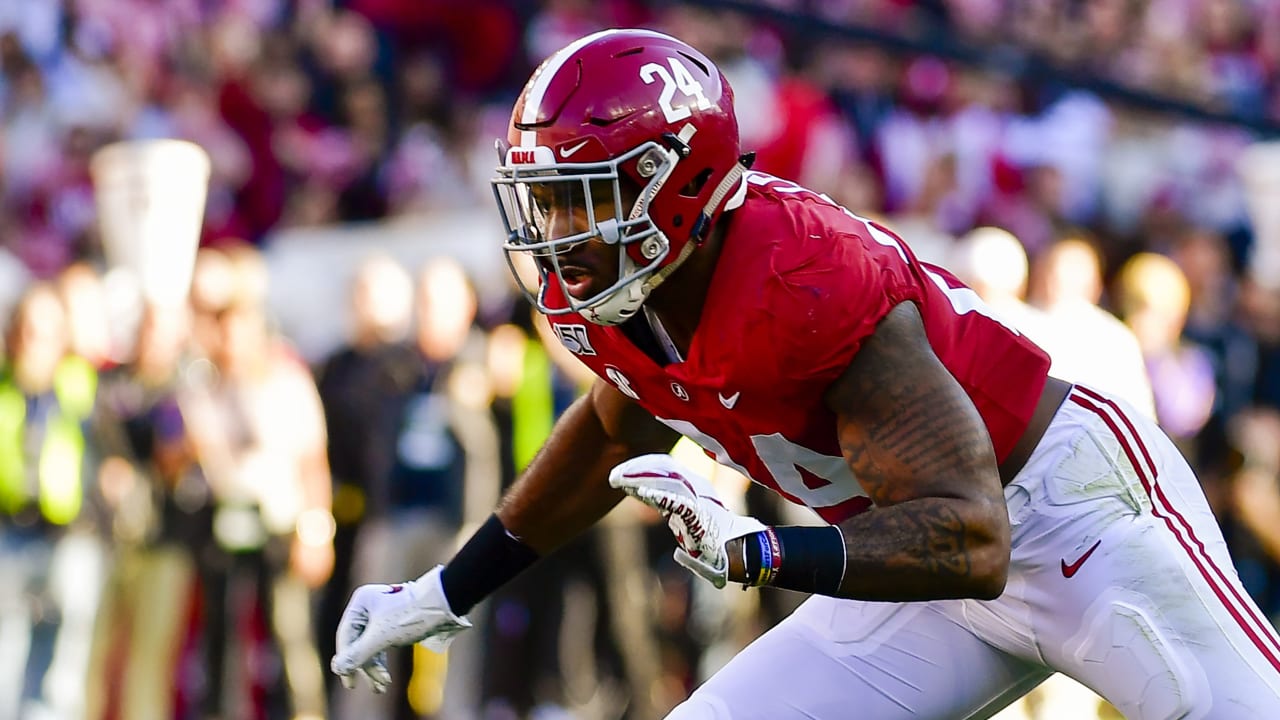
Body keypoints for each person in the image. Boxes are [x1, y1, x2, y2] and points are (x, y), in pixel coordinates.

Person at [332, 29, 1280, 718]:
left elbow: (975, 535)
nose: (556, 237)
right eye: (542, 202)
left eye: (582, 200)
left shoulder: (799, 278)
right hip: (912, 565)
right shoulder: (630, 288)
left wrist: (761, 554)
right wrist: (444, 592)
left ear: (676, 181)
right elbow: (607, 436)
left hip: (1069, 520)